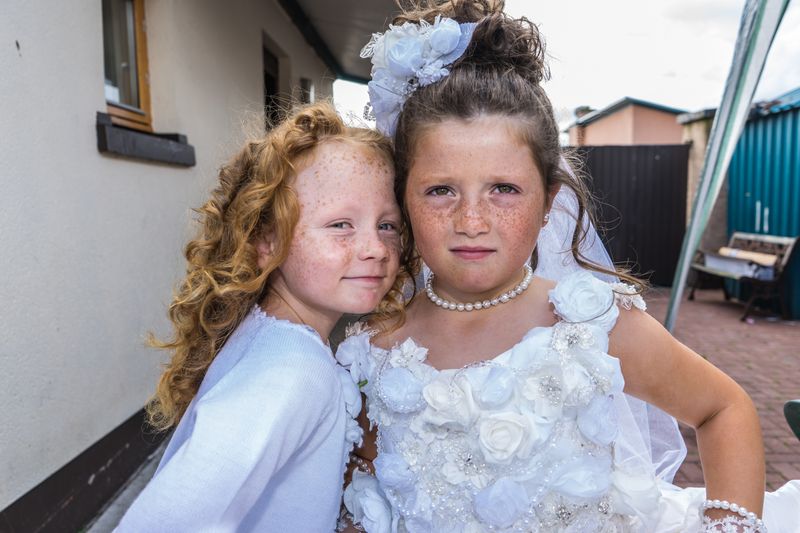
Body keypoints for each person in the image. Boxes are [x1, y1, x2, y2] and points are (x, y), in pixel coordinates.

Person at [337, 2, 800, 531]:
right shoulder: (373, 352)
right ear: (403, 198)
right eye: (441, 190)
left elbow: (724, 409)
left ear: (549, 201)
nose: (471, 220)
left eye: (504, 189)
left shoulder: (590, 326)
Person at [115, 102, 406, 532]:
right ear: (266, 242)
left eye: (387, 225)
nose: (376, 248)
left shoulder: (265, 332)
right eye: (341, 225)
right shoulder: (295, 371)